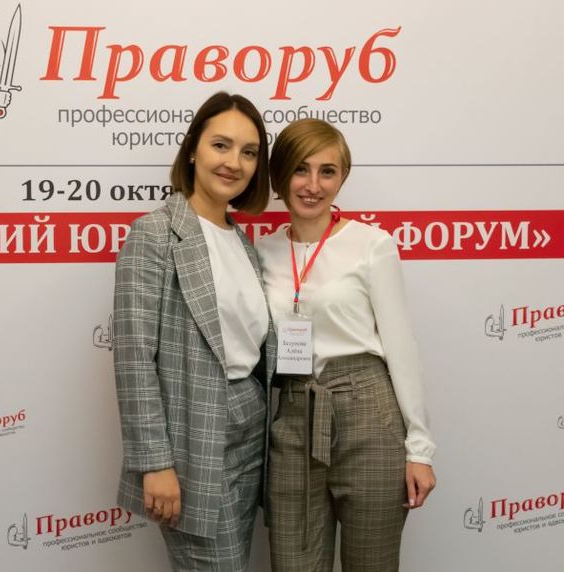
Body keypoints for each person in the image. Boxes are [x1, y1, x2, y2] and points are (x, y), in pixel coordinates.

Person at [256, 119, 436, 571]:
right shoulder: (261, 251)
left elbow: (401, 347)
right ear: (280, 175)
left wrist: (419, 448)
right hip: (293, 415)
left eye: (328, 172)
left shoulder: (371, 245)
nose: (313, 185)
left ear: (342, 178)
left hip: (368, 414)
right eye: (301, 169)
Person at [113, 92, 275, 571]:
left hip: (252, 428)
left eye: (249, 152)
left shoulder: (242, 242)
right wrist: (154, 462)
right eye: (221, 145)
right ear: (192, 151)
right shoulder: (155, 233)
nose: (234, 162)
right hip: (194, 438)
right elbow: (133, 357)